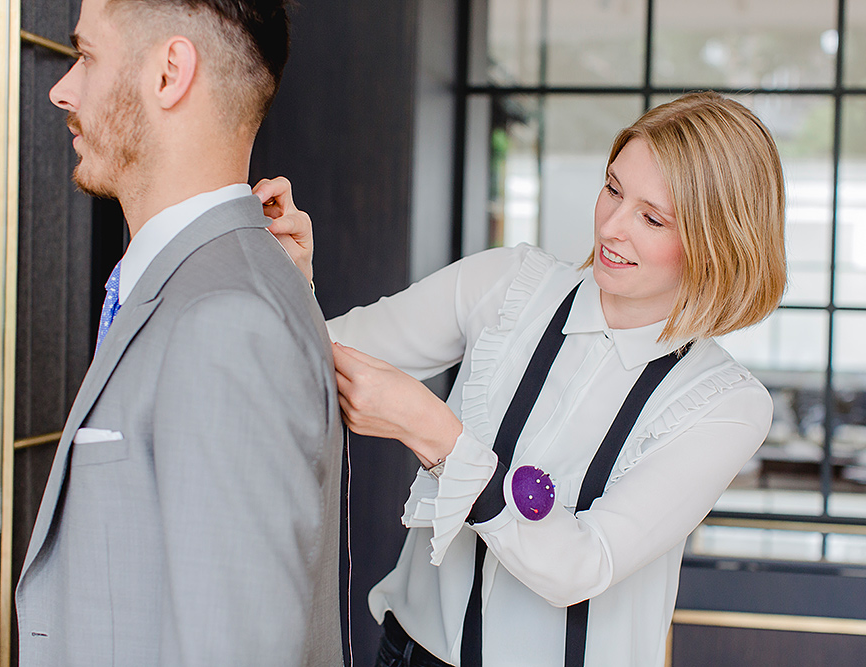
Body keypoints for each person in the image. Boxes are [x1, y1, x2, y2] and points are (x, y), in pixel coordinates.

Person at [258, 91, 786, 667]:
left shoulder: (723, 405)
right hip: (407, 654)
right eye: (612, 189)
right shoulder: (510, 284)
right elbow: (315, 359)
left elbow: (581, 565)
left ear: (718, 243)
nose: (611, 227)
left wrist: (438, 436)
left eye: (652, 218)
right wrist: (294, 281)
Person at [15, 1, 342, 665]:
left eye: (87, 55)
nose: (61, 88)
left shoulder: (227, 319)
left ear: (169, 73)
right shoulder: (227, 282)